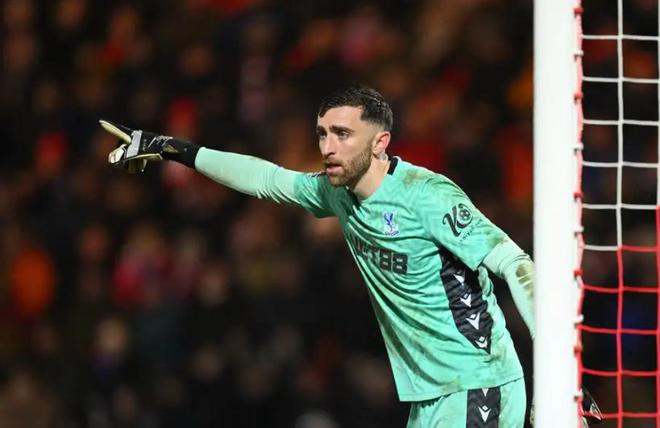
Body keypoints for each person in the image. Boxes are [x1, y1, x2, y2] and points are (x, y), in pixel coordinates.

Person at [100, 85, 599, 427]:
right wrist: (174, 149)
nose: (328, 146)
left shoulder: (427, 196)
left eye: (342, 134)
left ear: (380, 143)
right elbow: (268, 178)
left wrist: (560, 373)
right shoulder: (337, 193)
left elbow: (516, 264)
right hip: (430, 393)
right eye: (322, 133)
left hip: (478, 383)